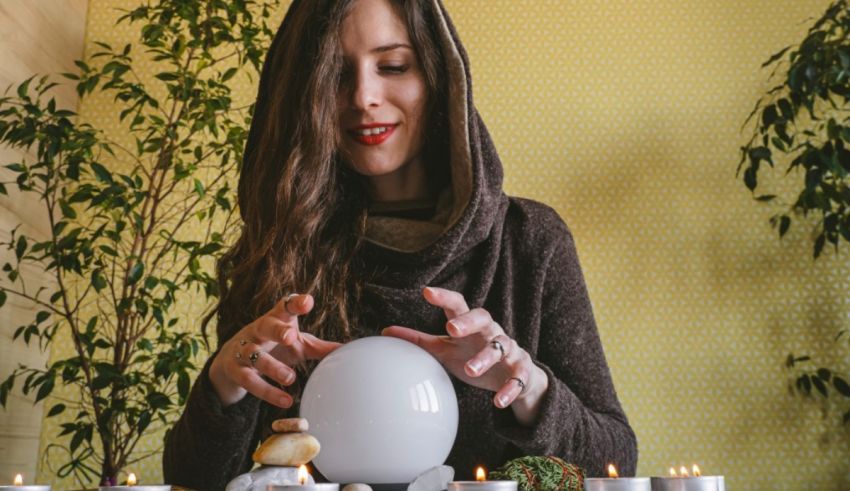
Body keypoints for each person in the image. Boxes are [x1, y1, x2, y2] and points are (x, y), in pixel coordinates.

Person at [163, 0, 637, 489]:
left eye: (393, 66)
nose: (363, 96)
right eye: (334, 74)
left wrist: (525, 387)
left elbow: (619, 465)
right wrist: (225, 382)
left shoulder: (530, 242)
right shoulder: (280, 253)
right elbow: (192, 480)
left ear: (440, 78)